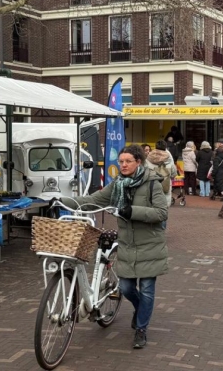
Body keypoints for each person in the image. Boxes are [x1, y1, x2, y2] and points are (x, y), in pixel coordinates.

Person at [59, 144, 168, 350]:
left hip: (150, 244)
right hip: (127, 244)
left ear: (138, 162)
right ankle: (141, 310)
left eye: (128, 161)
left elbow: (162, 213)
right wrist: (63, 201)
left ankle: (141, 329)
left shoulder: (152, 184)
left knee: (146, 290)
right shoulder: (117, 184)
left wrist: (132, 211)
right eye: (121, 161)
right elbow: (93, 201)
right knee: (126, 287)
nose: (123, 165)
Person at [145, 141, 176, 209]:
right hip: (165, 184)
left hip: (151, 184)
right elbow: (174, 173)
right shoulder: (169, 158)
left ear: (155, 146)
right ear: (165, 147)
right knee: (164, 209)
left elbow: (144, 171)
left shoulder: (148, 158)